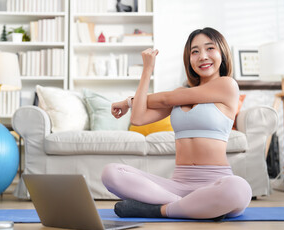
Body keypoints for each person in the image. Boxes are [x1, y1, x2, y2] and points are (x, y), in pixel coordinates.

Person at [101, 27, 252, 220]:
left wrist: (126, 102)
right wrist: (147, 70)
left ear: (222, 52)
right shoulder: (178, 95)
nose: (202, 56)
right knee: (111, 173)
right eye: (194, 52)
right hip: (177, 186)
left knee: (238, 189)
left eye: (209, 48)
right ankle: (194, 207)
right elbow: (138, 118)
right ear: (188, 60)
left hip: (216, 183)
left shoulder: (227, 85)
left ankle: (159, 210)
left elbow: (165, 99)